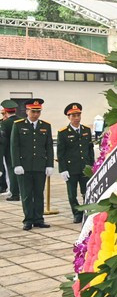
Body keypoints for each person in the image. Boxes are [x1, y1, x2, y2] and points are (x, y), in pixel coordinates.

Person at [10, 99, 54, 231]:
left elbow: (49, 146)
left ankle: (39, 219)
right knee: (27, 194)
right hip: (24, 166)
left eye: (38, 111)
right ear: (27, 111)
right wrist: (16, 164)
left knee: (38, 194)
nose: (35, 114)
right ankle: (28, 220)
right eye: (33, 111)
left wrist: (49, 164)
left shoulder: (45, 126)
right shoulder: (18, 125)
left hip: (40, 166)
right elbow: (14, 146)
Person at [56, 103, 95, 223]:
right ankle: (77, 213)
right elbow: (60, 153)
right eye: (73, 116)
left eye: (78, 115)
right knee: (72, 194)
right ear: (68, 117)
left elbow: (90, 150)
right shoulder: (63, 132)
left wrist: (92, 165)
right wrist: (62, 169)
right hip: (71, 168)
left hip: (85, 167)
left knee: (87, 191)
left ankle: (87, 211)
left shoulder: (86, 130)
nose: (76, 118)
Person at [1, 100, 22, 200]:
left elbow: (3, 140)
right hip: (23, 150)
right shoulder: (22, 121)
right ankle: (22, 191)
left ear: (5, 111)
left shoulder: (4, 124)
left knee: (11, 171)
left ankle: (14, 194)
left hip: (9, 151)